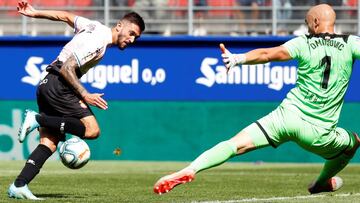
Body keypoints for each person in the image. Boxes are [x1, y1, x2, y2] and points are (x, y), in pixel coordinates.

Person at [154, 4, 360, 195]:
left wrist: (237, 59)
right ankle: (322, 181)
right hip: (318, 131)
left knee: (234, 144)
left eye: (307, 24)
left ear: (315, 22)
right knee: (353, 142)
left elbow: (268, 54)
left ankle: (192, 168)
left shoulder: (304, 42)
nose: (307, 30)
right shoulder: (351, 43)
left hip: (286, 117)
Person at [8, 1, 145, 200]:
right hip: (59, 83)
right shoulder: (98, 42)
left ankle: (19, 185)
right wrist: (85, 94)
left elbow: (65, 16)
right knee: (92, 129)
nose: (132, 40)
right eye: (132, 33)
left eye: (137, 38)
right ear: (119, 26)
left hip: (47, 83)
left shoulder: (93, 26)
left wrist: (35, 13)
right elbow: (67, 68)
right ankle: (37, 120)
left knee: (49, 142)